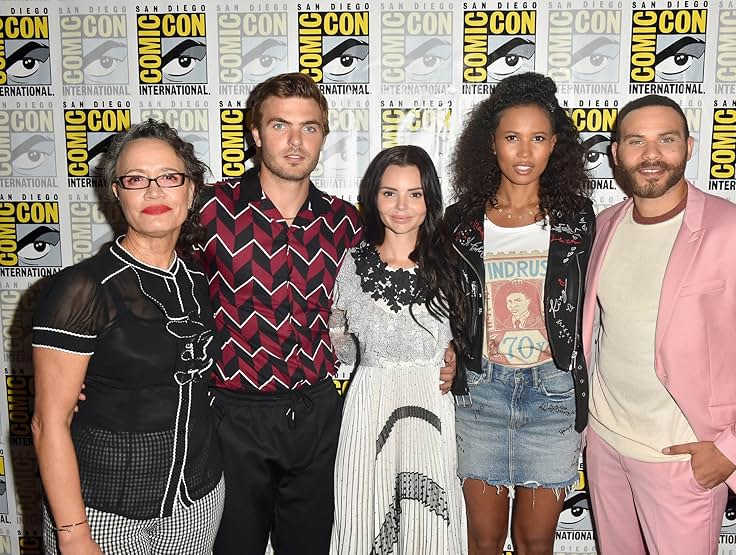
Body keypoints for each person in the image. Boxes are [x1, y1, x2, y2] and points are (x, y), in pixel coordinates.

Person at [195, 73, 455, 554]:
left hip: (320, 416)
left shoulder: (347, 222)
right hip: (233, 418)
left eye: (309, 128)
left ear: (323, 136)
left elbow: (400, 292)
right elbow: (158, 284)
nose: (295, 141)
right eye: (280, 126)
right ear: (255, 133)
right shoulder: (210, 209)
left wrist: (451, 346)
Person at [582, 94, 736, 554]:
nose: (651, 155)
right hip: (604, 446)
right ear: (616, 154)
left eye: (665, 140)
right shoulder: (605, 224)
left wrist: (732, 451)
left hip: (680, 461)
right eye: (636, 141)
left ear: (689, 147)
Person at [31, 120, 223, 555]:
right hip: (103, 516)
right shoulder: (82, 288)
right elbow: (48, 423)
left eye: (170, 178)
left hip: (198, 506)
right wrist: (74, 533)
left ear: (190, 190)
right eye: (136, 179)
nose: (154, 192)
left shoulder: (200, 279)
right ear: (117, 193)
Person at [445, 72, 595, 554]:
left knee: (535, 541)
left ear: (555, 145)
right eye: (512, 138)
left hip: (552, 393)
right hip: (482, 392)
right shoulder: (460, 221)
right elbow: (440, 301)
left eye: (537, 139)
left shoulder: (578, 218)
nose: (524, 152)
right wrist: (449, 348)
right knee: (483, 541)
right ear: (491, 144)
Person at [329, 145, 467, 554]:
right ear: (373, 197)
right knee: (363, 509)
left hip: (431, 400)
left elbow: (470, 336)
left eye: (414, 194)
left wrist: (455, 353)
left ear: (430, 199)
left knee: (429, 520)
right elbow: (340, 341)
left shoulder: (452, 262)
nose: (401, 206)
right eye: (389, 193)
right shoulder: (352, 263)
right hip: (369, 402)